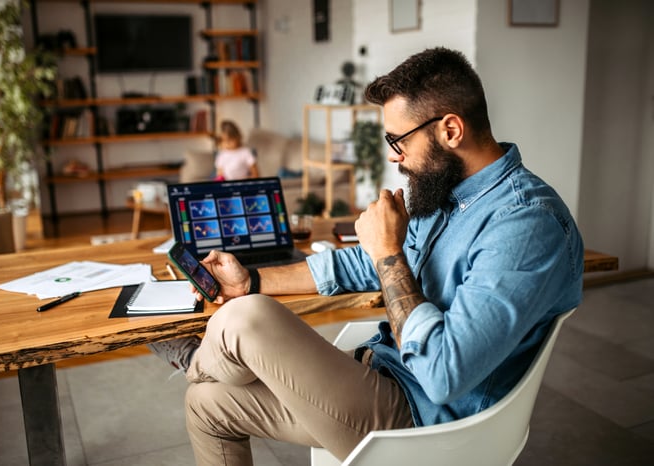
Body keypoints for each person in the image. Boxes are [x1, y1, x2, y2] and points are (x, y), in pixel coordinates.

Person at [149, 47, 584, 464]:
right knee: (205, 403)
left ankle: (198, 361)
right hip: (379, 377)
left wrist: (388, 250)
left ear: (450, 130)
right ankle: (207, 368)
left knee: (243, 318)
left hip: (423, 421)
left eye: (398, 140)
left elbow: (442, 374)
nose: (394, 157)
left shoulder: (526, 225)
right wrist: (252, 282)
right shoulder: (448, 198)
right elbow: (360, 263)